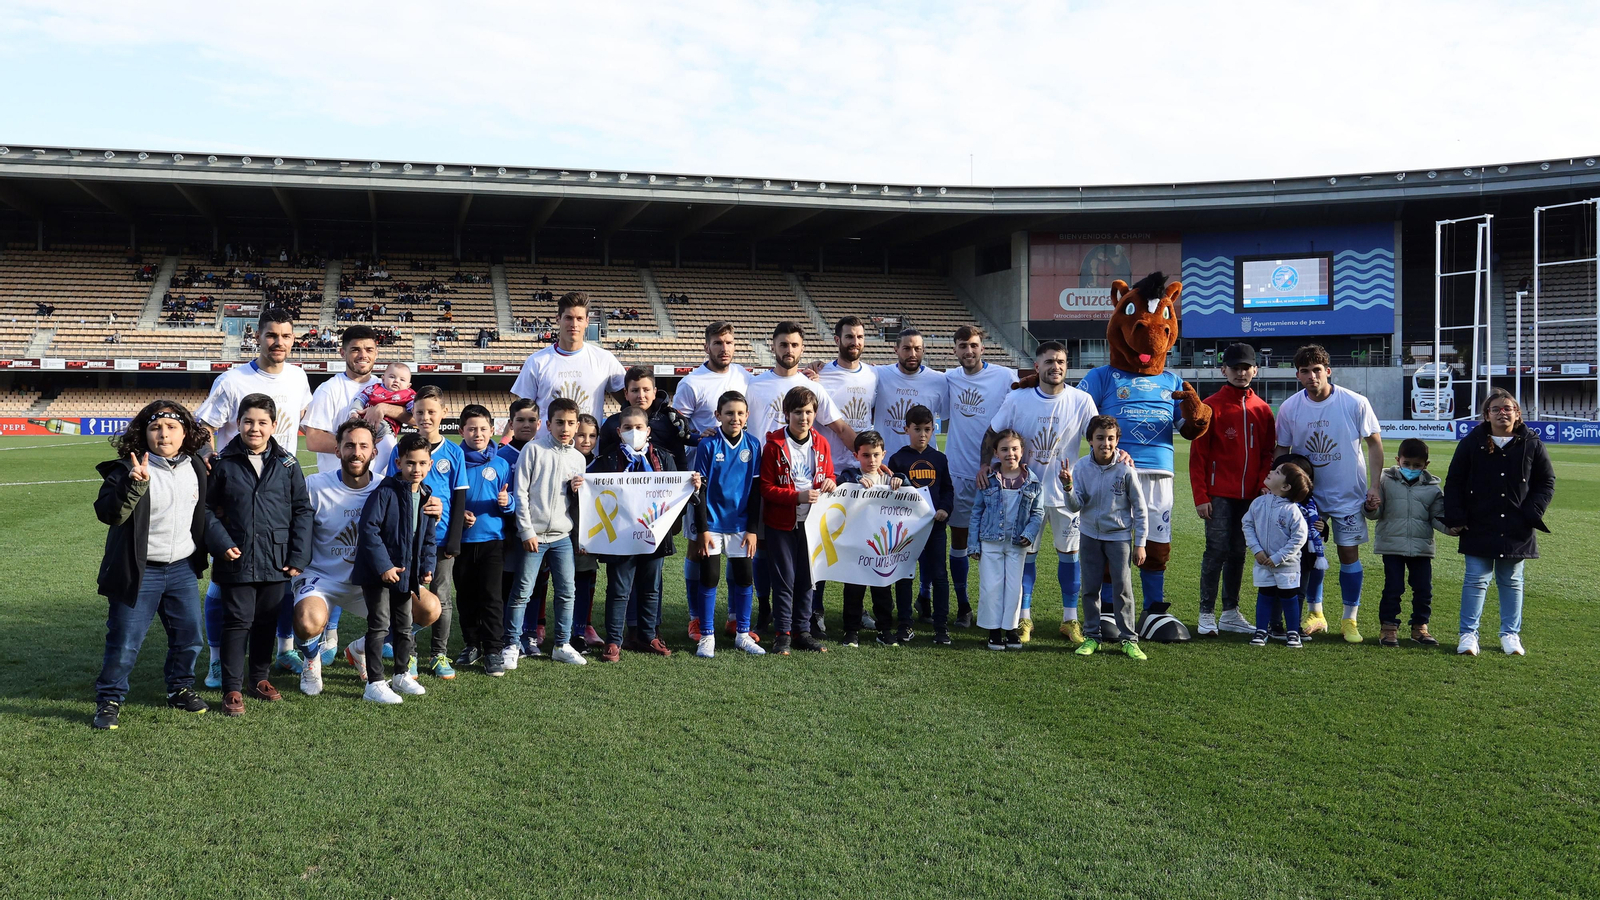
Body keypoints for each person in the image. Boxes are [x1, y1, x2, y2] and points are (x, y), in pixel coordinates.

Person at [192, 307, 313, 688]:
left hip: (280, 484)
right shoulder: (232, 380)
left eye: (286, 336)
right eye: (271, 335)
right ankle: (216, 661)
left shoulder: (298, 377)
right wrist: (217, 467)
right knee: (223, 585)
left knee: (279, 581)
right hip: (238, 493)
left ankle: (282, 651)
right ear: (257, 338)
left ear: (294, 340)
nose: (279, 342)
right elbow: (203, 427)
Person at [90, 400, 213, 730]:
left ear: (185, 432)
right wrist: (135, 484)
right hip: (139, 571)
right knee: (125, 641)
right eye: (156, 427)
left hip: (182, 569)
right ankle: (109, 699)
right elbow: (110, 514)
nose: (163, 434)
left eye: (172, 427)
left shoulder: (197, 466)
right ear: (144, 434)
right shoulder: (124, 469)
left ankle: (179, 689)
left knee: (189, 638)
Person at [203, 393, 313, 716]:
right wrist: (220, 542)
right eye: (248, 421)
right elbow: (207, 510)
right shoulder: (222, 463)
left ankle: (259, 679)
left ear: (274, 425)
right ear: (237, 424)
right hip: (235, 557)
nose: (255, 428)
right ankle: (232, 688)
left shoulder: (288, 465)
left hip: (277, 558)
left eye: (262, 422)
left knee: (266, 621)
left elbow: (302, 511)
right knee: (237, 621)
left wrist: (298, 554)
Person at [983, 341, 1099, 643]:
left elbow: (1099, 437)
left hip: (1066, 493)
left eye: (1060, 361)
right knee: (1026, 558)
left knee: (1070, 557)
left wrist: (1118, 455)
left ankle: (1069, 619)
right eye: (1049, 362)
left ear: (1066, 365)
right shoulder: (1018, 398)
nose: (1055, 367)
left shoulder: (1082, 400)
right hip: (1025, 496)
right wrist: (985, 465)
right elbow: (992, 433)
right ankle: (1023, 618)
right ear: (1037, 367)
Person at [744, 322, 856, 635]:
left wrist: (871, 460)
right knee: (762, 549)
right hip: (758, 478)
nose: (789, 350)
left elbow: (841, 428)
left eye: (794, 345)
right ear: (773, 346)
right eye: (783, 345)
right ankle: (765, 607)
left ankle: (804, 617)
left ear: (802, 348)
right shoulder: (753, 385)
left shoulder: (813, 389)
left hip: (801, 487)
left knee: (804, 554)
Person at [1274, 344, 1383, 643]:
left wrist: (1374, 486)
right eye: (1305, 371)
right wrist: (1280, 490)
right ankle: (1316, 613)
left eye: (1317, 370)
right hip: (1309, 497)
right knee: (1310, 554)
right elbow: (1282, 450)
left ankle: (1350, 619)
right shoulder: (1289, 408)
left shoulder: (1354, 402)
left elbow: (1374, 443)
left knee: (1349, 555)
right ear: (1297, 375)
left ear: (1328, 371)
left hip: (1349, 494)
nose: (1312, 376)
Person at [1443, 389, 1555, 657]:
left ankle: (1510, 635)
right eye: (1496, 409)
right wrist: (1456, 517)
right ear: (1486, 415)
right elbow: (1454, 481)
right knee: (1475, 580)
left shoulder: (1532, 443)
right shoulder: (1471, 442)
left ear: (1517, 414)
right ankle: (1468, 635)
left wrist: (1532, 511)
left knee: (1512, 581)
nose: (1502, 413)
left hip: (1517, 526)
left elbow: (1546, 482)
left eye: (1507, 408)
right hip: (1478, 524)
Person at [590, 405, 698, 661]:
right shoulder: (606, 460)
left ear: (648, 430)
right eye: (628, 428)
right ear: (618, 431)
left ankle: (648, 635)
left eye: (639, 428)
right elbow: (591, 492)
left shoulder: (663, 457)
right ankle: (614, 640)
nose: (634, 432)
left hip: (654, 535)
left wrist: (692, 486)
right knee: (619, 589)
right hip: (619, 537)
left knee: (651, 587)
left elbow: (678, 494)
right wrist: (580, 485)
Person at [289, 420, 385, 696]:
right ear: (337, 451)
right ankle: (311, 660)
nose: (357, 452)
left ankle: (360, 649)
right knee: (308, 622)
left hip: (367, 580)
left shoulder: (385, 487)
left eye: (364, 446)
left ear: (374, 452)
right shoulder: (314, 485)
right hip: (321, 577)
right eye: (349, 445)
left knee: (426, 609)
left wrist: (431, 506)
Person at [671, 321, 753, 642]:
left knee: (737, 549)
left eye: (730, 342)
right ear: (707, 346)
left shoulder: (744, 377)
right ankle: (695, 618)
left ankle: (734, 618)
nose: (725, 348)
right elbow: (675, 427)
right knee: (697, 548)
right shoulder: (692, 383)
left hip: (735, 480)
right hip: (701, 481)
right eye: (718, 343)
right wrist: (696, 436)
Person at [1190, 342, 1275, 636]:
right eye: (1235, 367)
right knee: (1215, 552)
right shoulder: (1210, 406)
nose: (1241, 372)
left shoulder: (1262, 409)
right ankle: (1205, 614)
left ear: (1255, 369)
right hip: (1218, 495)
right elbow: (1198, 455)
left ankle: (1229, 613)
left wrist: (1263, 484)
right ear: (1223, 369)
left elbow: (1268, 453)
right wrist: (1201, 496)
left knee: (1239, 553)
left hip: (1251, 497)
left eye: (1246, 367)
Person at [385, 385, 466, 678]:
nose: (426, 417)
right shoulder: (400, 449)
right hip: (408, 540)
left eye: (432, 411)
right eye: (420, 412)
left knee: (441, 597)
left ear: (444, 413)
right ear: (412, 415)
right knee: (409, 598)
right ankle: (409, 655)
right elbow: (392, 490)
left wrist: (454, 541)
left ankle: (439, 654)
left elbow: (459, 498)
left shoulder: (454, 452)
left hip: (441, 540)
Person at [352, 432, 439, 704]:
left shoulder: (426, 495)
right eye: (411, 463)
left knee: (404, 625)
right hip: (378, 574)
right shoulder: (385, 492)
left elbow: (427, 537)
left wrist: (426, 567)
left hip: (406, 574)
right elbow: (369, 531)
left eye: (423, 463)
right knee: (379, 625)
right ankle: (375, 683)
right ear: (399, 462)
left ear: (430, 465)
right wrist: (384, 566)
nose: (417, 469)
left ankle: (401, 674)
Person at [943, 325, 1017, 629]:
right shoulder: (948, 378)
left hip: (994, 475)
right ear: (955, 350)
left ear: (982, 348)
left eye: (973, 345)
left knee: (995, 544)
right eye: (962, 346)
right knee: (958, 541)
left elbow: (1029, 392)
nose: (968, 351)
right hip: (958, 472)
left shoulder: (1004, 376)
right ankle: (963, 606)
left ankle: (996, 608)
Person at [759, 386, 838, 655]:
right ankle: (783, 633)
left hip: (813, 524)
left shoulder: (822, 443)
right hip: (781, 522)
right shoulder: (773, 446)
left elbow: (830, 475)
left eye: (808, 412)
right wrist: (798, 496)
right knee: (784, 579)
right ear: (786, 414)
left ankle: (802, 631)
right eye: (797, 412)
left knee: (808, 578)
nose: (803, 418)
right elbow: (766, 488)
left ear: (815, 414)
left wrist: (831, 480)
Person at [1063, 415, 1149, 660]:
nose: (1106, 443)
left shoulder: (1125, 469)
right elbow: (1075, 506)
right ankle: (1092, 637)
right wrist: (1068, 487)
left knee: (1122, 590)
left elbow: (1140, 509)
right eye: (1100, 438)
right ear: (1090, 440)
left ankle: (1129, 640)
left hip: (1120, 537)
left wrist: (1140, 543)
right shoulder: (1080, 467)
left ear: (1117, 440)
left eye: (1111, 438)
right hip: (1089, 535)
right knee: (1090, 588)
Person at [511, 397, 589, 666]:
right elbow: (519, 493)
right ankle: (511, 643)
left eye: (570, 423)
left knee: (567, 592)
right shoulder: (533, 450)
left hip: (562, 537)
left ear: (577, 425)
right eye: (559, 423)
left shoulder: (579, 458)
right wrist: (526, 531)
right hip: (534, 536)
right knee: (523, 591)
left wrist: (579, 492)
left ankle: (562, 644)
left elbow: (577, 503)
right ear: (548, 424)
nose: (565, 428)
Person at [688, 390, 764, 657]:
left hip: (742, 525)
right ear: (718, 415)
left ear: (747, 416)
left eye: (740, 413)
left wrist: (753, 529)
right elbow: (700, 490)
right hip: (713, 524)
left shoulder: (754, 445)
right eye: (729, 413)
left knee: (745, 578)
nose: (735, 417)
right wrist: (703, 528)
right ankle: (707, 636)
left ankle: (743, 634)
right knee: (710, 577)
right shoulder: (708, 445)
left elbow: (756, 490)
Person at [1364, 438, 1450, 648]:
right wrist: (1370, 506)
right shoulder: (1384, 481)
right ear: (1398, 460)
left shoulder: (1433, 489)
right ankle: (1388, 628)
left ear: (1426, 465)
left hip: (1421, 548)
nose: (1411, 469)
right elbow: (1375, 514)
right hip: (1391, 545)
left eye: (1417, 465)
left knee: (1423, 589)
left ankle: (1420, 627)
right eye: (1407, 464)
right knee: (1393, 588)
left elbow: (1436, 518)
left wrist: (1451, 529)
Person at [452, 405, 517, 675]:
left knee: (491, 597)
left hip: (493, 540)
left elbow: (515, 500)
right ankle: (472, 644)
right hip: (460, 541)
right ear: (461, 431)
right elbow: (448, 496)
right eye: (471, 429)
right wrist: (460, 515)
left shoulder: (501, 463)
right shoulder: (455, 461)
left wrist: (507, 501)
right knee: (465, 596)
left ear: (493, 430)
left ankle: (492, 650)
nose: (477, 434)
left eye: (482, 429)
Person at [509, 291, 626, 431]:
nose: (574, 324)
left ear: (587, 321)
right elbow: (521, 411)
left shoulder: (604, 359)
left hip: (588, 450)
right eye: (568, 318)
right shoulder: (536, 361)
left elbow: (628, 402)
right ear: (558, 319)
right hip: (547, 449)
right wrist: (506, 441)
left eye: (579, 318)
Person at [971, 429, 1044, 651]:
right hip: (990, 541)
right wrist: (973, 544)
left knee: (1013, 588)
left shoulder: (1031, 481)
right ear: (995, 453)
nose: (1010, 453)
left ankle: (1011, 629)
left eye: (1014, 449)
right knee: (991, 587)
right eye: (1004, 449)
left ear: (1022, 452)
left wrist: (1029, 534)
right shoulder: (989, 480)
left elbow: (1037, 513)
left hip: (1016, 544)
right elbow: (976, 512)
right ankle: (993, 631)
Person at [888, 404, 953, 643]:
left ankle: (941, 626)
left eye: (928, 429)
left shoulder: (939, 458)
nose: (923, 434)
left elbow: (947, 489)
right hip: (907, 528)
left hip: (934, 527)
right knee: (904, 574)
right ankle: (905, 623)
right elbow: (890, 495)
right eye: (917, 429)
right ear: (906, 429)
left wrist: (945, 508)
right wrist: (893, 484)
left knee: (939, 575)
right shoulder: (898, 459)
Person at [836, 431, 905, 647]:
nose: (871, 460)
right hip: (856, 544)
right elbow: (842, 482)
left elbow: (911, 491)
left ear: (883, 454)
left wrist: (900, 479)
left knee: (882, 589)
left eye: (876, 455)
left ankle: (885, 630)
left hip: (882, 546)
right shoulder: (850, 475)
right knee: (854, 590)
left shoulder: (889, 478)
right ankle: (851, 631)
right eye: (866, 455)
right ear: (857, 455)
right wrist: (857, 480)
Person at [1242, 462, 1313, 649]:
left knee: (1289, 598)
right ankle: (1261, 630)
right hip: (1263, 562)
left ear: (1285, 487)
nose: (1271, 471)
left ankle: (1292, 632)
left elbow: (1299, 538)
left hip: (1286, 566)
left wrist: (1278, 557)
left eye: (1278, 472)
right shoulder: (1258, 503)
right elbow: (1247, 524)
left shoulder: (1292, 511)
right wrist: (1256, 549)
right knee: (1264, 595)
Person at [302, 324, 384, 476]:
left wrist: (386, 408)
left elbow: (415, 417)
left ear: (376, 353)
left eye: (369, 350)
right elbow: (313, 439)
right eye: (355, 349)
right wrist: (361, 447)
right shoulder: (329, 389)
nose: (363, 355)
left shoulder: (384, 387)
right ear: (342, 353)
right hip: (336, 486)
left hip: (379, 485)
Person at [352, 361, 416, 442]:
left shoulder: (408, 394)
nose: (396, 381)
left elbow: (415, 408)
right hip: (364, 420)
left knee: (385, 441)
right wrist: (354, 411)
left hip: (385, 426)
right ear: (383, 379)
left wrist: (414, 410)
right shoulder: (374, 388)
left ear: (408, 385)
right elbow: (360, 400)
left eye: (402, 380)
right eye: (392, 377)